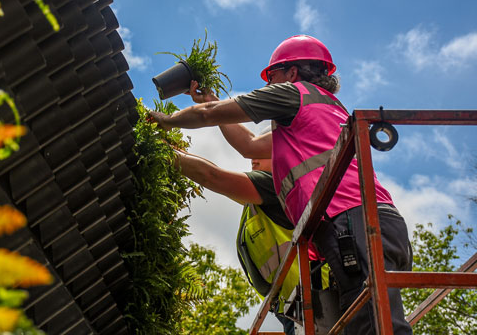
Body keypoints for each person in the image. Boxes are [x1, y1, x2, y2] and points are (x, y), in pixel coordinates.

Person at [150, 35, 413, 334]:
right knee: (372, 319)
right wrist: (210, 100)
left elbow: (210, 118)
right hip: (373, 223)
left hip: (354, 222)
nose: (267, 84)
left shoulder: (294, 94)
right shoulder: (322, 111)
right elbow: (248, 145)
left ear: (292, 73)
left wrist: (163, 121)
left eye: (271, 76)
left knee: (373, 326)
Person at [173, 149, 298, 335]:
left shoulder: (275, 185)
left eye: (262, 152)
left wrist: (165, 152)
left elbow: (212, 176)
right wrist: (179, 151)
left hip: (309, 299)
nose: (253, 160)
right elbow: (216, 173)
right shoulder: (260, 201)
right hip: (292, 306)